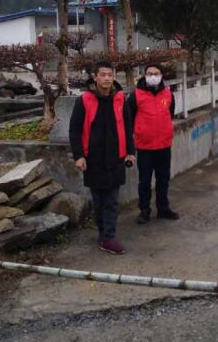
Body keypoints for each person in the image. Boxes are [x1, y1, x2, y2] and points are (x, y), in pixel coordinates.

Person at [69, 61, 135, 254]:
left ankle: (109, 236)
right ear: (95, 77)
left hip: (116, 157)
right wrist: (79, 155)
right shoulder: (84, 100)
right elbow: (74, 130)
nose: (107, 78)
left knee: (112, 201)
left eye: (110, 75)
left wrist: (131, 152)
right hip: (93, 159)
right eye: (103, 74)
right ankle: (102, 233)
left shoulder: (120, 99)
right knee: (98, 200)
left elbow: (128, 127)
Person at [126, 63, 179, 224]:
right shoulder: (136, 95)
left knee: (163, 178)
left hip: (164, 145)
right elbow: (129, 118)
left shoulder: (168, 94)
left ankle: (163, 208)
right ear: (145, 75)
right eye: (150, 73)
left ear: (161, 76)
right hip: (144, 146)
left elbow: (170, 113)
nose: (153, 76)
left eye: (156, 73)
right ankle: (144, 210)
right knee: (144, 181)